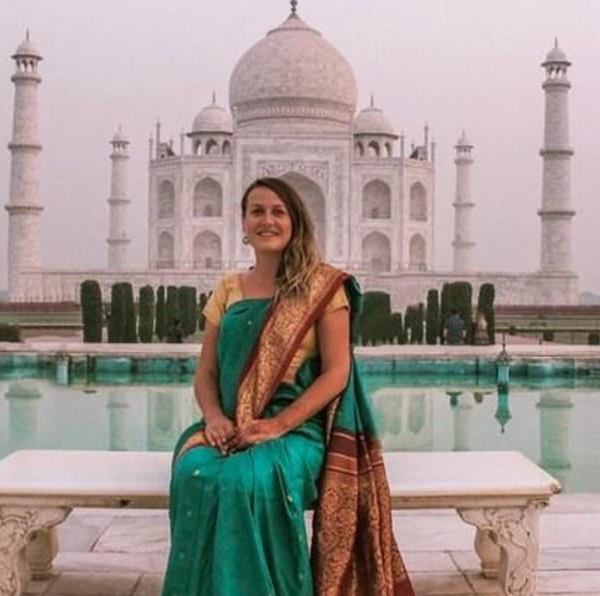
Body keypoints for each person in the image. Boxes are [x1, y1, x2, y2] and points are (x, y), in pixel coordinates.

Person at [162, 178, 415, 596]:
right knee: (194, 472)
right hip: (230, 425)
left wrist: (278, 425)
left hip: (297, 431)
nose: (267, 220)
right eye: (257, 211)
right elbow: (206, 373)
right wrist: (215, 417)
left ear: (295, 221)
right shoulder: (228, 288)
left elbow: (337, 372)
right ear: (243, 223)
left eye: (278, 211)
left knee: (249, 481)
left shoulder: (323, 288)